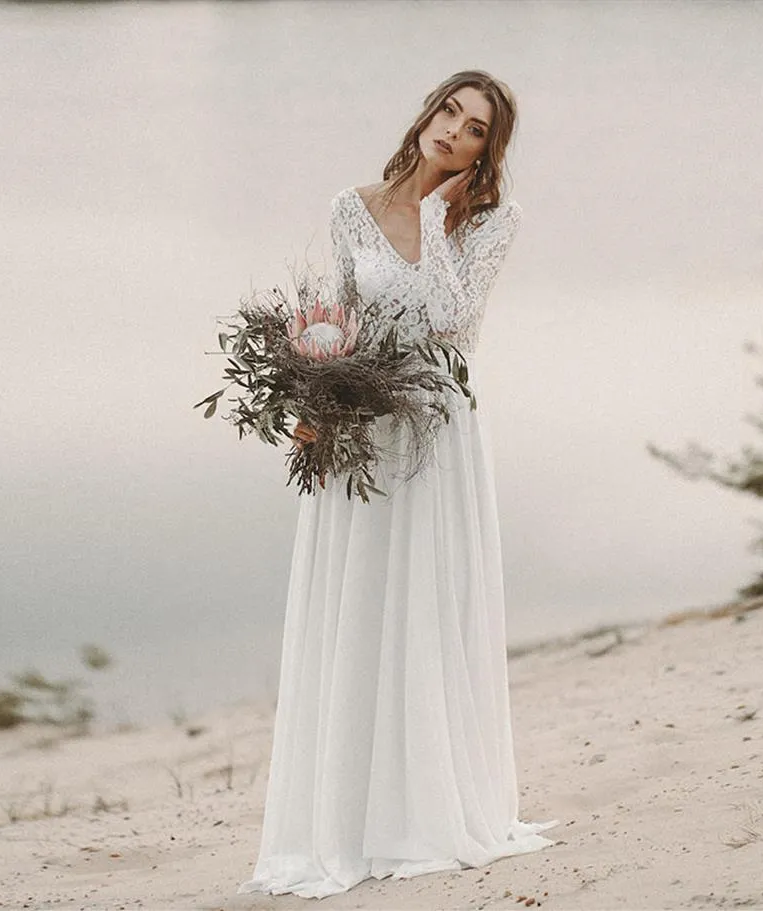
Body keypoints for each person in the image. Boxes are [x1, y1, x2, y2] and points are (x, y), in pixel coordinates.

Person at [237, 70, 559, 900]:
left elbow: (453, 323)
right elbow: (340, 318)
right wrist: (310, 397)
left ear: (489, 150)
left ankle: (422, 812)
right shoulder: (350, 205)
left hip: (436, 429)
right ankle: (345, 814)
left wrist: (432, 219)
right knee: (355, 607)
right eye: (450, 111)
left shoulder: (492, 219)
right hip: (361, 427)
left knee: (422, 608)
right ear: (427, 112)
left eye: (477, 128)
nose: (455, 131)